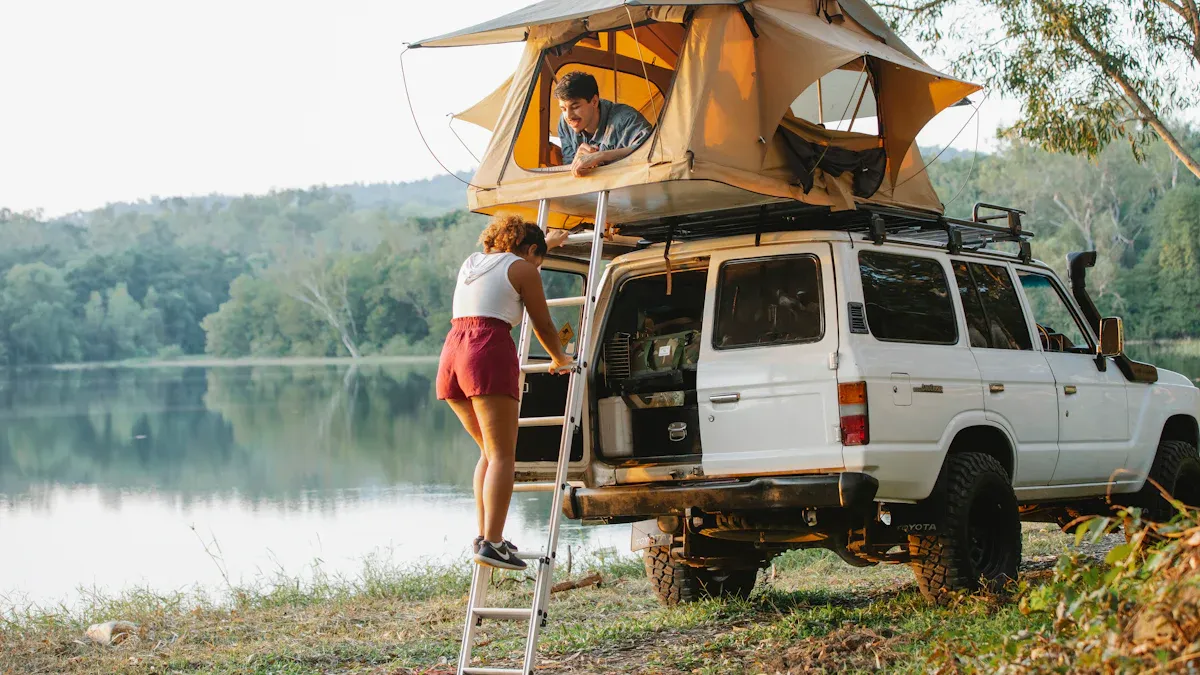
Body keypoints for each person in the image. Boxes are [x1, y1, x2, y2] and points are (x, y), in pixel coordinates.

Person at [437, 215, 572, 570]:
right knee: (503, 457)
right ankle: (494, 544)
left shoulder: (472, 262)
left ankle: (485, 536)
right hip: (486, 350)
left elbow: (508, 263)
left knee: (488, 452)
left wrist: (548, 244)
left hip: (453, 352)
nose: (536, 268)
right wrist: (560, 358)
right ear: (530, 251)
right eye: (538, 259)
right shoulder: (524, 270)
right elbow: (542, 323)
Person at [555, 71, 654, 178]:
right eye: (563, 109)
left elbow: (653, 149)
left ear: (594, 102)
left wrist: (601, 156)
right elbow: (568, 167)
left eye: (575, 107)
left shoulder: (627, 119)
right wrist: (576, 163)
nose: (568, 116)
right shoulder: (564, 123)